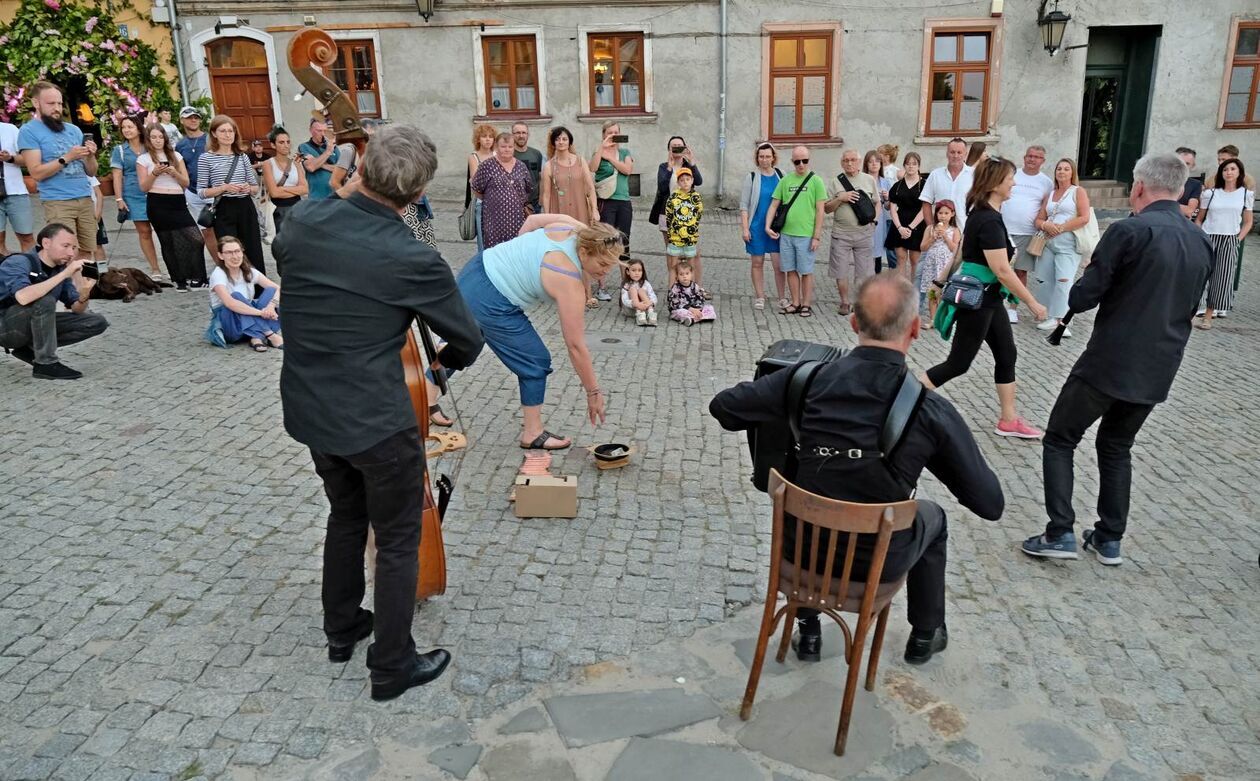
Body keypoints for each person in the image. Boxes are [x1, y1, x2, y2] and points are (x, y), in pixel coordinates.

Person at [276, 125, 484, 701]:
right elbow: (468, 338)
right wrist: (440, 365)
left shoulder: (301, 224)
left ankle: (342, 628)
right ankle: (392, 664)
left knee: (345, 515)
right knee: (396, 538)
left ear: (360, 168)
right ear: (417, 195)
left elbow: (297, 256)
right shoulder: (411, 255)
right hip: (374, 419)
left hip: (312, 407)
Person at [710, 273, 1004, 664]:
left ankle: (809, 631)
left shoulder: (805, 380)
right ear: (915, 329)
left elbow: (724, 407)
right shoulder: (929, 409)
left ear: (853, 324)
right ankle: (925, 633)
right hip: (876, 563)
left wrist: (788, 417)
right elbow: (989, 503)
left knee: (818, 503)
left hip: (801, 553)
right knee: (933, 518)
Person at [1021, 153, 1212, 565]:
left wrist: (1090, 274)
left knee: (1059, 437)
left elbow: (1083, 297)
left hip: (1109, 361)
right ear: (1179, 190)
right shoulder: (1201, 240)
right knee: (1116, 445)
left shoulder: (1128, 230)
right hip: (1160, 364)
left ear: (1139, 187)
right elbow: (1191, 304)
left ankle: (1060, 532)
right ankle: (1109, 538)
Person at [456, 215, 621, 450]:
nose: (605, 274)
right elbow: (575, 346)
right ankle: (532, 433)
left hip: (478, 268)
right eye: (602, 265)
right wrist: (593, 392)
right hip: (491, 300)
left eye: (610, 266)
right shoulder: (568, 281)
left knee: (464, 341)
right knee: (535, 360)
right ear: (584, 251)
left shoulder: (573, 226)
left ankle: (425, 400)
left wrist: (517, 255)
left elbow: (533, 221)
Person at [922, 157, 1048, 439]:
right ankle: (900, 398)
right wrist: (1032, 301)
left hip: (989, 300)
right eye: (1009, 179)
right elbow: (1002, 270)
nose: (1014, 183)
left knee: (1007, 353)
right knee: (958, 363)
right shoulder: (988, 220)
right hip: (977, 301)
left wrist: (941, 281)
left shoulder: (982, 213)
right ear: (995, 184)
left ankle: (1009, 419)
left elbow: (961, 252)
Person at [0, 223, 108, 380]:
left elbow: (77, 309)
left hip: (28, 326)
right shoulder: (19, 262)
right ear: (46, 243)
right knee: (44, 301)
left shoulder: (59, 270)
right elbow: (23, 297)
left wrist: (85, 292)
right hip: (5, 328)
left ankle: (30, 349)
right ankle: (46, 364)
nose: (71, 253)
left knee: (97, 321)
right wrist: (65, 273)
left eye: (73, 248)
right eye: (65, 246)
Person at [17, 82, 99, 261]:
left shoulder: (73, 130)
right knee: (66, 253)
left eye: (60, 104)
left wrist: (91, 156)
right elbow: (36, 172)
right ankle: (69, 289)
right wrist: (67, 157)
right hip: (58, 201)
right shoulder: (28, 131)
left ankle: (86, 288)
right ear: (36, 103)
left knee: (87, 251)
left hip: (84, 198)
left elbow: (91, 172)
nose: (57, 108)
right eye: (51, 104)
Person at [137, 123, 206, 291]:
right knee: (168, 243)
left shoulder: (176, 156)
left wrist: (174, 172)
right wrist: (155, 173)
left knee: (196, 239)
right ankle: (179, 280)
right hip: (157, 202)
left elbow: (186, 182)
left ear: (165, 138)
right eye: (153, 137)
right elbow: (143, 187)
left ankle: (197, 277)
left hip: (177, 201)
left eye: (160, 137)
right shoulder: (143, 159)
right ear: (148, 139)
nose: (157, 140)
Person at [1031, 159, 1092, 336]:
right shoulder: (1050, 194)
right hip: (1047, 241)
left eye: (1066, 169)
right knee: (1046, 278)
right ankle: (1051, 315)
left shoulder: (1078, 192)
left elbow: (1084, 217)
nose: (1062, 172)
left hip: (1067, 240)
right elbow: (1039, 219)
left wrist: (1061, 228)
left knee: (1064, 279)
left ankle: (1062, 319)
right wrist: (1045, 226)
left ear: (1072, 172)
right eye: (1059, 168)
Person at [198, 115, 265, 273]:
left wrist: (247, 188)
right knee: (230, 249)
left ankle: (258, 288)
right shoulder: (206, 158)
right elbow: (201, 191)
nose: (227, 135)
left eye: (230, 131)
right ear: (214, 134)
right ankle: (234, 286)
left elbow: (255, 187)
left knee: (253, 248)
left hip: (245, 206)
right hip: (224, 208)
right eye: (223, 131)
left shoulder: (242, 157)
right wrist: (223, 188)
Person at [764, 145, 827, 316]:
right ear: (792, 161)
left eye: (804, 161)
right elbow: (774, 204)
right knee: (790, 269)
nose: (801, 164)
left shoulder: (816, 181)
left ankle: (806, 304)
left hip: (806, 235)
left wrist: (817, 236)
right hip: (786, 234)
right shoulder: (785, 180)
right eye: (797, 161)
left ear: (809, 160)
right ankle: (795, 302)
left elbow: (821, 210)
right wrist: (767, 226)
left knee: (806, 271)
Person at [1195, 158, 1254, 330]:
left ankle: (1208, 316)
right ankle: (1191, 311)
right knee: (1200, 274)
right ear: (1221, 173)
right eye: (1225, 169)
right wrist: (1201, 236)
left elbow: (1248, 222)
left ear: (1239, 172)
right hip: (1208, 236)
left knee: (1222, 278)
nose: (1229, 172)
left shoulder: (1245, 195)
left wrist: (1237, 239)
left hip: (1229, 239)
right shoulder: (1210, 194)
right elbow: (1199, 219)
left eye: (1232, 169)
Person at [825, 149, 879, 317]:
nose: (849, 163)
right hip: (841, 234)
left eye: (853, 160)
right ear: (842, 163)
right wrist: (841, 198)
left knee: (864, 271)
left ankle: (859, 302)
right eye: (846, 160)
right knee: (840, 270)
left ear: (858, 161)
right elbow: (827, 208)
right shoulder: (835, 182)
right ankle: (844, 302)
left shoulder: (869, 180)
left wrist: (874, 220)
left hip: (864, 233)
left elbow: (877, 202)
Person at [1003, 145, 1053, 323]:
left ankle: (1013, 307)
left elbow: (1046, 208)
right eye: (1029, 156)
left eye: (1037, 157)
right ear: (1024, 158)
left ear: (1043, 161)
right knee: (999, 268)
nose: (1032, 159)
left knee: (1020, 272)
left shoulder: (1046, 182)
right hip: (1004, 229)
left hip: (1026, 232)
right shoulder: (1013, 175)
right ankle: (996, 302)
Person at [111, 115, 163, 279]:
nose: (127, 130)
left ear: (139, 128)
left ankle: (174, 265)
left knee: (163, 230)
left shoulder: (150, 146)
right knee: (144, 231)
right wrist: (119, 199)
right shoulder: (120, 150)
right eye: (124, 127)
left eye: (130, 127)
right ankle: (155, 268)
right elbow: (117, 176)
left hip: (156, 190)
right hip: (133, 194)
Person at [209, 235, 282, 351]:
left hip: (250, 318)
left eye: (237, 251)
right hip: (231, 323)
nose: (235, 256)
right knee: (236, 296)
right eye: (229, 252)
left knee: (271, 290)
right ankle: (269, 334)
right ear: (220, 255)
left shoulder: (248, 271)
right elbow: (230, 303)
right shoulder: (218, 274)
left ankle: (255, 337)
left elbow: (278, 289)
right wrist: (261, 313)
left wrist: (271, 306)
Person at [740, 142, 784, 310]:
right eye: (761, 156)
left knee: (779, 265)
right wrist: (745, 228)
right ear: (757, 159)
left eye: (768, 156)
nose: (764, 160)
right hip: (756, 226)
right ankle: (760, 296)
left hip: (775, 227)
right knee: (757, 263)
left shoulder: (781, 175)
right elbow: (744, 205)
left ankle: (781, 297)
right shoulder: (752, 177)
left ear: (773, 158)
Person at [471, 132, 533, 250]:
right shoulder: (487, 166)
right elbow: (476, 189)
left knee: (517, 250)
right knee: (495, 251)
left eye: (510, 146)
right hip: (493, 220)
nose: (507, 149)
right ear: (496, 147)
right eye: (503, 146)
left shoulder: (521, 166)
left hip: (518, 219)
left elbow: (528, 189)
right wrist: (494, 200)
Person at [175, 106, 219, 262]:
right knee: (206, 231)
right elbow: (181, 169)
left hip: (215, 191)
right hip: (194, 192)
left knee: (223, 229)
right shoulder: (180, 145)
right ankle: (219, 264)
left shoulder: (211, 140)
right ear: (182, 120)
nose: (193, 120)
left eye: (196, 117)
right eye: (189, 117)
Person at [649, 136, 703, 257]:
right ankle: (673, 276)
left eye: (680, 146)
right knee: (672, 252)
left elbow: (698, 181)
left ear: (685, 148)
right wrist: (669, 167)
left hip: (687, 213)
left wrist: (692, 162)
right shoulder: (663, 167)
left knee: (692, 253)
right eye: (674, 147)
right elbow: (662, 188)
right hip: (668, 212)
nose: (677, 148)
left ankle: (690, 276)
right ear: (669, 150)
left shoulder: (688, 166)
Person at [262, 125, 308, 265]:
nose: (286, 145)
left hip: (298, 207)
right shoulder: (268, 164)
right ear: (273, 145)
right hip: (279, 210)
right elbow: (274, 192)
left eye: (288, 142)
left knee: (300, 243)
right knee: (284, 245)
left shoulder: (296, 163)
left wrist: (284, 190)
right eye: (281, 142)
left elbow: (305, 189)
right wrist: (294, 188)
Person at [589, 121, 635, 257]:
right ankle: (602, 277)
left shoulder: (624, 152)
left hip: (624, 202)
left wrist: (609, 157)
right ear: (604, 135)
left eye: (616, 132)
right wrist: (601, 149)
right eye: (610, 133)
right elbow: (592, 168)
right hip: (606, 202)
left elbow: (627, 170)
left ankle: (626, 277)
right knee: (606, 241)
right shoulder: (598, 152)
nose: (613, 135)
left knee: (624, 241)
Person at [540, 127, 597, 229]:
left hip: (580, 210)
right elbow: (546, 195)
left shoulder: (580, 161)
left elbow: (590, 188)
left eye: (564, 139)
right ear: (553, 143)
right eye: (557, 139)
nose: (561, 142)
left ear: (570, 142)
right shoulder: (549, 166)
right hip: (558, 213)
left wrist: (594, 210)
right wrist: (546, 217)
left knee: (581, 241)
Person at [886, 152, 927, 287]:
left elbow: (925, 209)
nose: (911, 166)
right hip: (899, 225)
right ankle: (902, 292)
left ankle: (914, 292)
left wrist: (910, 227)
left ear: (919, 166)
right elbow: (892, 208)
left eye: (914, 164)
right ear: (904, 165)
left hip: (917, 225)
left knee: (915, 260)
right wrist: (899, 228)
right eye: (908, 164)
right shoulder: (897, 186)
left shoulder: (925, 185)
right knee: (901, 259)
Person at [920, 137, 974, 232]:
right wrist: (931, 228)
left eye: (959, 152)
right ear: (947, 153)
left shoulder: (974, 175)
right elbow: (926, 202)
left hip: (966, 232)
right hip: (940, 234)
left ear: (965, 154)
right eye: (952, 152)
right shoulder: (935, 174)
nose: (955, 156)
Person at [918, 200, 959, 321]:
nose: (943, 216)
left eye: (946, 213)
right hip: (932, 264)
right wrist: (932, 238)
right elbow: (922, 247)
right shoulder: (930, 228)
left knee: (944, 293)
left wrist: (946, 236)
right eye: (940, 213)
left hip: (945, 265)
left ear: (952, 214)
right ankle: (933, 319)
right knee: (932, 292)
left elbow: (955, 249)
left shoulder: (955, 230)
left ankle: (942, 319)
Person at [664, 168, 704, 286]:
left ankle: (690, 291)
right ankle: (672, 291)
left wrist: (691, 229)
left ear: (692, 180)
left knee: (691, 266)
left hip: (690, 238)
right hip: (676, 238)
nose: (685, 182)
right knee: (673, 265)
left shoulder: (696, 197)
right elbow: (669, 215)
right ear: (678, 182)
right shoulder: (673, 197)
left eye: (688, 179)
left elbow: (698, 214)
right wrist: (673, 231)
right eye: (682, 180)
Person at [1, 119, 35, 254]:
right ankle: (7, 272)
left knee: (26, 237)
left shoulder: (10, 129)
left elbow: (28, 159)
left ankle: (34, 272)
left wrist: (9, 158)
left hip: (16, 192)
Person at [867, 149, 894, 273]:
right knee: (865, 251)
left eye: (877, 161)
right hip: (865, 218)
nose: (874, 164)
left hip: (880, 220)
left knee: (877, 251)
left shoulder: (885, 181)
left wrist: (887, 197)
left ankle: (876, 277)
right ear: (866, 164)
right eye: (871, 161)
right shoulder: (863, 180)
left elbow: (888, 207)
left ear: (881, 164)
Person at [299, 118, 339, 201]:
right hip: (316, 198)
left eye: (325, 131)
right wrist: (327, 152)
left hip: (335, 196)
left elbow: (341, 169)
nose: (323, 134)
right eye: (319, 131)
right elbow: (310, 167)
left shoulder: (334, 147)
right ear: (311, 130)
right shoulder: (304, 147)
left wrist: (320, 164)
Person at [667, 260, 715, 326]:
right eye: (681, 274)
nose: (684, 276)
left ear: (691, 274)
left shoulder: (695, 286)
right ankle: (695, 318)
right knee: (680, 312)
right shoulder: (675, 288)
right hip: (682, 309)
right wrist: (691, 309)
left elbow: (700, 298)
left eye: (687, 273)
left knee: (709, 308)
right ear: (677, 276)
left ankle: (695, 318)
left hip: (694, 308)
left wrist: (697, 308)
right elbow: (675, 304)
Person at [511, 122, 545, 214]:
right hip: (514, 204)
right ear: (512, 135)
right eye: (517, 133)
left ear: (528, 135)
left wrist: (541, 199)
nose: (521, 136)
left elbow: (541, 178)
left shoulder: (536, 154)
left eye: (523, 133)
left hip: (535, 204)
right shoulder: (509, 155)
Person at [620, 257, 658, 327]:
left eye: (639, 270)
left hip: (645, 308)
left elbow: (652, 295)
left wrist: (651, 302)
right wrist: (636, 304)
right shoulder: (626, 285)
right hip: (631, 309)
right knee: (633, 289)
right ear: (628, 272)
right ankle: (639, 313)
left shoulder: (645, 283)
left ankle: (651, 313)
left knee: (641, 290)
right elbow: (624, 300)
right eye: (633, 270)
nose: (637, 273)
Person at [1175, 147, 1202, 220]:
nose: (1183, 166)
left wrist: (1164, 205)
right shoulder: (1161, 180)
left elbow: (1189, 211)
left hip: (1180, 224)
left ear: (1193, 166)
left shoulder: (1195, 184)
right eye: (1180, 162)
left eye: (1187, 163)